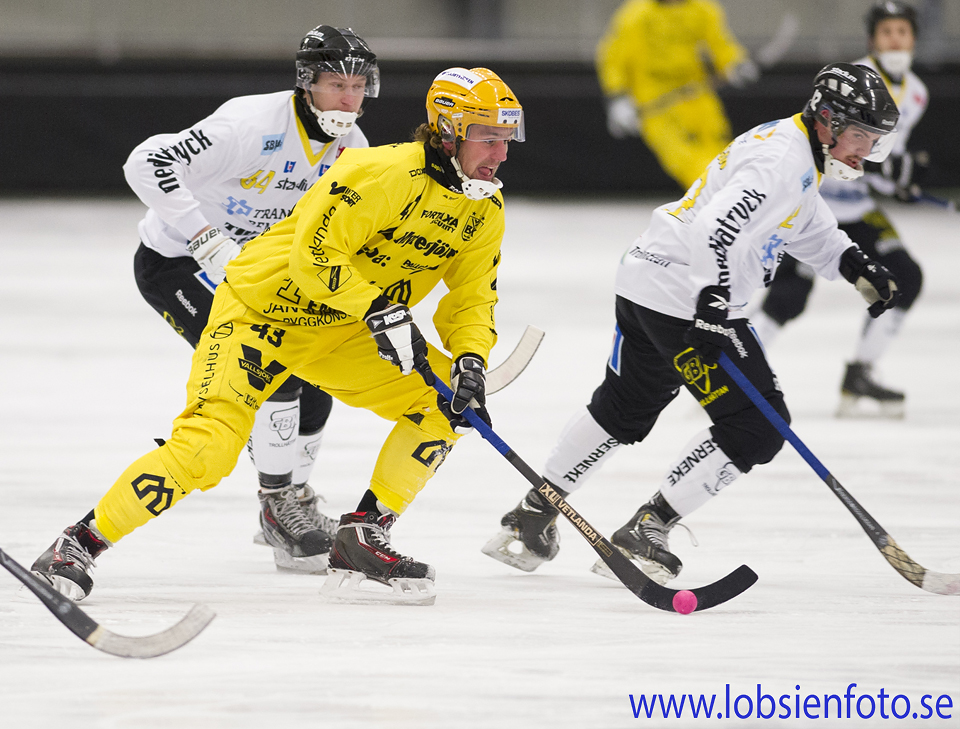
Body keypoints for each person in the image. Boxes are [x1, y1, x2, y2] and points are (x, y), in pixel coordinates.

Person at [31, 66, 524, 606]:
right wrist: (380, 309)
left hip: (340, 330)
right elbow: (312, 257)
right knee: (209, 450)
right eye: (488, 137)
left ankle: (362, 533)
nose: (500, 154)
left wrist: (472, 359)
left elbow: (473, 298)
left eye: (507, 139)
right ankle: (78, 542)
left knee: (444, 405)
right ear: (447, 129)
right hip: (261, 317)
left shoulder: (485, 209)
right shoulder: (374, 171)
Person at [484, 63, 900, 585]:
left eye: (874, 139)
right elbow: (715, 227)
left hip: (646, 282)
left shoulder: (793, 152)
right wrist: (711, 306)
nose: (865, 150)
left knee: (623, 407)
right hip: (683, 296)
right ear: (826, 120)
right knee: (757, 428)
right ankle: (648, 526)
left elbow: (797, 217)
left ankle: (532, 514)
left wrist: (850, 261)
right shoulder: (781, 160)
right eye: (860, 135)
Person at [124, 25, 380, 574]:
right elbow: (147, 163)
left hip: (258, 274)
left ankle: (292, 501)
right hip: (179, 264)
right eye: (337, 84)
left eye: (360, 86)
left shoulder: (352, 148)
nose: (349, 100)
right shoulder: (250, 123)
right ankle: (276, 502)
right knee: (270, 374)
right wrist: (204, 236)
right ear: (306, 83)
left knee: (315, 385)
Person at [751, 1, 927, 419]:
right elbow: (825, 136)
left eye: (902, 32)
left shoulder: (917, 91)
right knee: (789, 297)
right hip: (815, 203)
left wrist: (898, 177)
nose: (895, 40)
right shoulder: (854, 80)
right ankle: (733, 368)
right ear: (873, 39)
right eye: (887, 32)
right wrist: (888, 168)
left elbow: (882, 158)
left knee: (904, 278)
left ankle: (861, 371)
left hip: (857, 205)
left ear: (914, 39)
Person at [596, 0, 759, 190]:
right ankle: (717, 198)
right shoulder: (635, 15)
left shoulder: (703, 10)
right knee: (682, 157)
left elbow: (721, 44)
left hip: (696, 95)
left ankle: (735, 197)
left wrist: (735, 63)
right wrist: (617, 97)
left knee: (721, 149)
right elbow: (614, 58)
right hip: (655, 101)